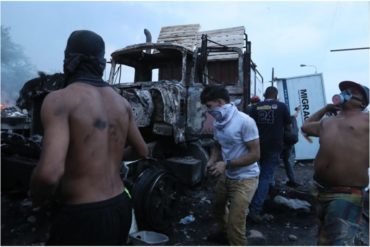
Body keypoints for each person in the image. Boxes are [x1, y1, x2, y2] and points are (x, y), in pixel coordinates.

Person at [29, 30, 149, 245]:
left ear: (68, 59)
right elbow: (142, 151)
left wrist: (37, 199)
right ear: (102, 63)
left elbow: (49, 174)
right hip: (120, 206)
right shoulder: (121, 102)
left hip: (82, 215)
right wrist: (106, 158)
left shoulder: (60, 100)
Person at [301, 80, 369, 245]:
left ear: (363, 101)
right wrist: (326, 109)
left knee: (338, 242)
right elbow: (306, 127)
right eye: (344, 89)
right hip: (320, 190)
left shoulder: (367, 120)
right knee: (324, 239)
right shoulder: (328, 121)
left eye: (352, 90)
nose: (346, 91)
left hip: (347, 194)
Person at [200, 85, 260, 245]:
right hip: (228, 175)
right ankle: (223, 234)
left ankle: (233, 238)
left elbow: (255, 155)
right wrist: (212, 160)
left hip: (246, 179)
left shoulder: (245, 121)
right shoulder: (218, 123)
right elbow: (217, 145)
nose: (208, 111)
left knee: (236, 224)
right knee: (217, 208)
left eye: (209, 106)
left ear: (220, 102)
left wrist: (225, 164)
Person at [248, 86, 291, 222]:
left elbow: (250, 125)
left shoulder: (255, 107)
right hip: (274, 145)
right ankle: (255, 209)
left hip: (257, 145)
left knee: (255, 175)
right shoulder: (282, 106)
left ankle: (249, 203)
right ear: (276, 95)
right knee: (266, 176)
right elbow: (288, 126)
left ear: (265, 94)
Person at [281, 105, 301, 187]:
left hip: (281, 143)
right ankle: (292, 180)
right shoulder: (291, 118)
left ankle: (271, 184)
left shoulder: (280, 119)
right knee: (287, 162)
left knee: (273, 163)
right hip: (290, 143)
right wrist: (298, 110)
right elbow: (295, 115)